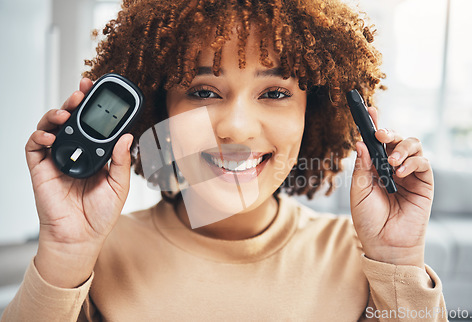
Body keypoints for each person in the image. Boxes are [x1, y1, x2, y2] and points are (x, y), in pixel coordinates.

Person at [2, 0, 447, 321]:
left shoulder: (366, 259)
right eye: (203, 92)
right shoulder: (92, 257)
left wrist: (398, 262)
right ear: (158, 113)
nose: (236, 127)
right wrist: (65, 254)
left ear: (312, 116)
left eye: (274, 93)